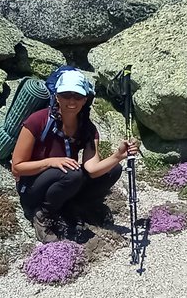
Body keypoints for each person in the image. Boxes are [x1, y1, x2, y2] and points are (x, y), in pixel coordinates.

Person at [10, 69, 140, 242]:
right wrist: (51, 162)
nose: (71, 101)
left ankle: (78, 207)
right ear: (57, 96)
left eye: (77, 96)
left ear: (85, 99)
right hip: (32, 188)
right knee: (72, 173)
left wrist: (118, 155)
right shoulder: (37, 121)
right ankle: (43, 214)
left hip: (62, 180)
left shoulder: (87, 128)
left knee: (113, 170)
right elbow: (17, 167)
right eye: (66, 95)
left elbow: (92, 169)